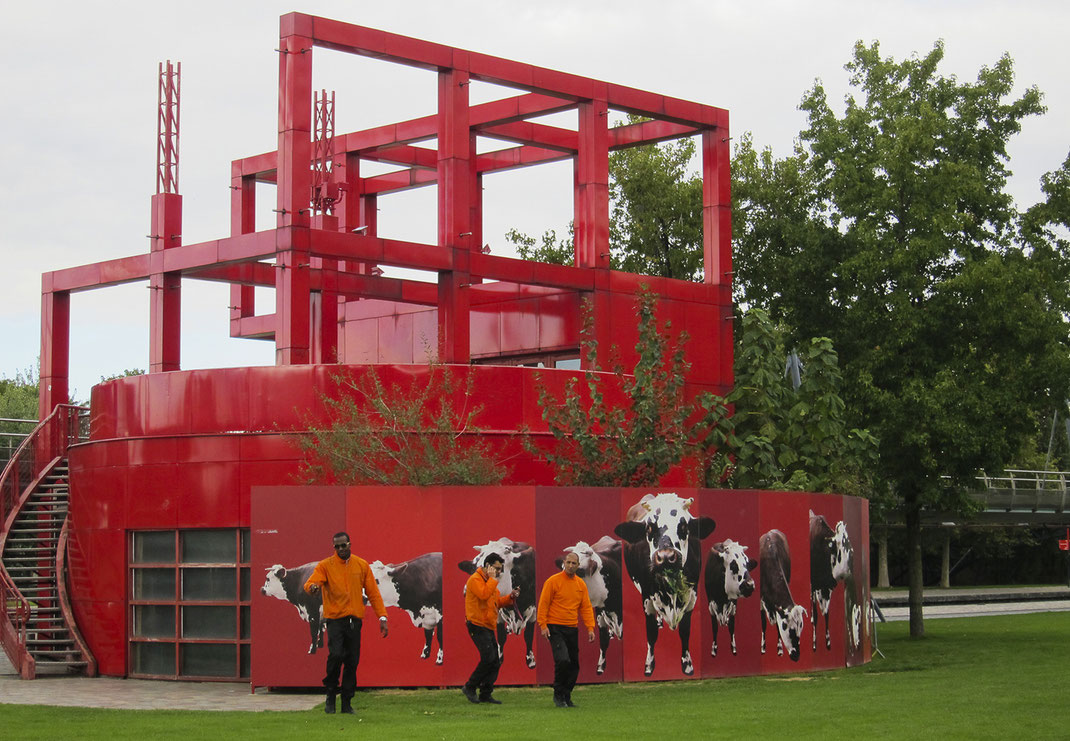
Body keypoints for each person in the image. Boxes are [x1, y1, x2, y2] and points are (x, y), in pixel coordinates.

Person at [304, 531, 389, 715]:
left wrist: (382, 617)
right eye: (337, 546)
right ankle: (330, 694)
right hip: (335, 620)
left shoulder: (361, 565)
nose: (341, 549)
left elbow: (373, 593)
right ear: (333, 547)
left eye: (343, 545)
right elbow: (312, 583)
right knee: (335, 656)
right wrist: (312, 587)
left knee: (352, 661)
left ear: (350, 544)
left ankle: (347, 703)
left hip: (355, 621)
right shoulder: (326, 565)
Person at [537, 551, 595, 708]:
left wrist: (590, 627)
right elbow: (543, 604)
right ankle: (558, 694)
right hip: (554, 627)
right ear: (564, 563)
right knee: (562, 660)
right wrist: (543, 625)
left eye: (573, 563)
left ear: (578, 565)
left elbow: (586, 607)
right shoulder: (553, 581)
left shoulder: (580, 584)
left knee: (574, 664)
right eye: (568, 562)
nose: (570, 565)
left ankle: (567, 695)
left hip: (572, 628)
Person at [462, 552, 519, 705]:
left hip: (487, 625)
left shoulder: (489, 581)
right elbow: (484, 595)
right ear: (488, 566)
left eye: (500, 569)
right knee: (488, 658)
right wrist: (493, 579)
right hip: (476, 624)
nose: (499, 572)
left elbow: (495, 602)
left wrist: (510, 598)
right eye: (497, 568)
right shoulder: (475, 579)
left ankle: (485, 693)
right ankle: (470, 686)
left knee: (495, 661)